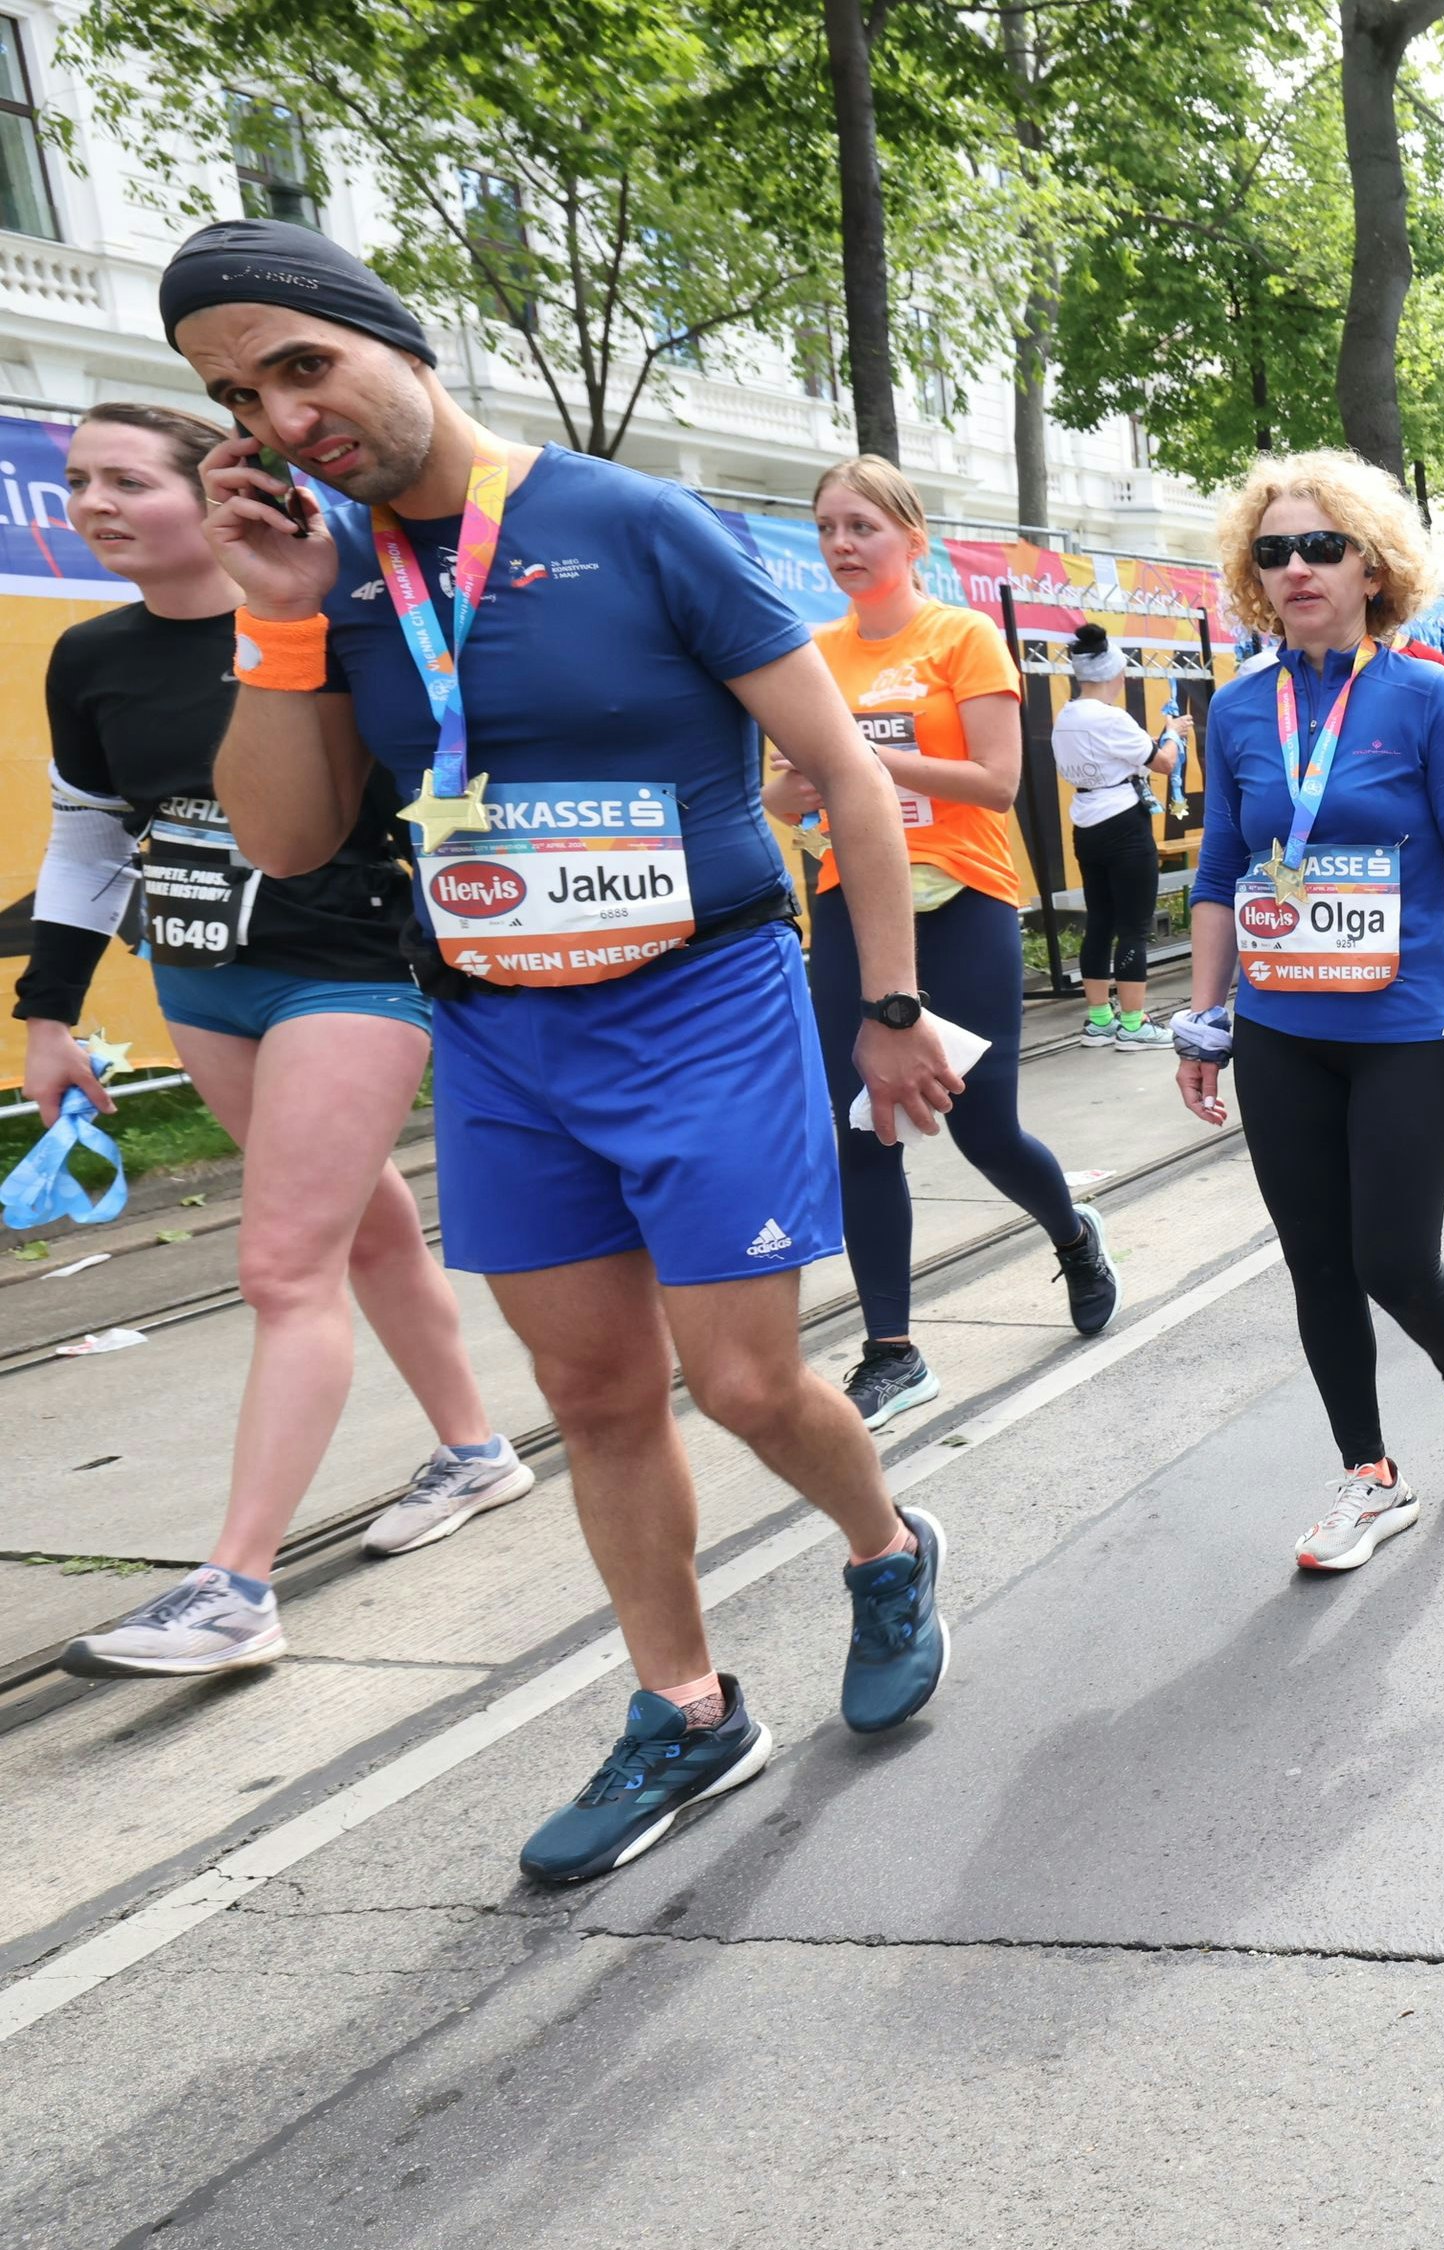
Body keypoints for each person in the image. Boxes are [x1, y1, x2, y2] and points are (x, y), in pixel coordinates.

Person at [173, 218, 962, 1883]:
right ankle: (684, 1709)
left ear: (395, 342)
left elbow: (853, 774)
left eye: (302, 365)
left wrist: (890, 1010)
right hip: (497, 1029)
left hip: (699, 1000)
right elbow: (294, 841)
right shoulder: (335, 581)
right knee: (594, 1391)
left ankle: (884, 1549)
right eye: (241, 398)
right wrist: (276, 623)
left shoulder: (630, 523)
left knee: (742, 1380)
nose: (285, 418)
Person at [34, 402, 531, 1682]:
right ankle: (477, 1453)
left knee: (279, 1265)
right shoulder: (89, 657)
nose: (92, 503)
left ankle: (234, 1588)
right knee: (359, 1229)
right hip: (205, 982)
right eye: (77, 481)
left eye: (128, 480)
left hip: (350, 971)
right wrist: (48, 1015)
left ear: (218, 494)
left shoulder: (340, 613)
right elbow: (91, 845)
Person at [1173, 450, 1444, 1573]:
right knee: (1316, 1264)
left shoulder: (1424, 695)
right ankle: (1367, 1477)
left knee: (1391, 1258)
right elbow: (1220, 869)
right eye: (1272, 552)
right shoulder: (1238, 709)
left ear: (1371, 568)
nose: (1295, 568)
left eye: (1319, 546)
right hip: (1282, 1032)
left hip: (1403, 1032)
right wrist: (1203, 1018)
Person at [784, 457, 1121, 1431]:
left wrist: (857, 761)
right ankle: (891, 1347)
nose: (842, 546)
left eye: (862, 528)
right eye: (827, 530)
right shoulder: (811, 654)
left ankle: (1071, 1235)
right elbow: (775, 791)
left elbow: (996, 782)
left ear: (912, 539)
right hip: (850, 904)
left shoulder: (963, 636)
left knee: (982, 1128)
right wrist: (809, 786)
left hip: (963, 901)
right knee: (860, 1124)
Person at [1052, 621, 1180, 1048]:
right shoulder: (1112, 719)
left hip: (1085, 821)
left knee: (1100, 922)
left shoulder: (1065, 717)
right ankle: (1133, 1023)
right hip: (1124, 822)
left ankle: (1099, 1019)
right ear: (1116, 675)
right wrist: (1174, 737)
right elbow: (1162, 763)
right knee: (1134, 926)